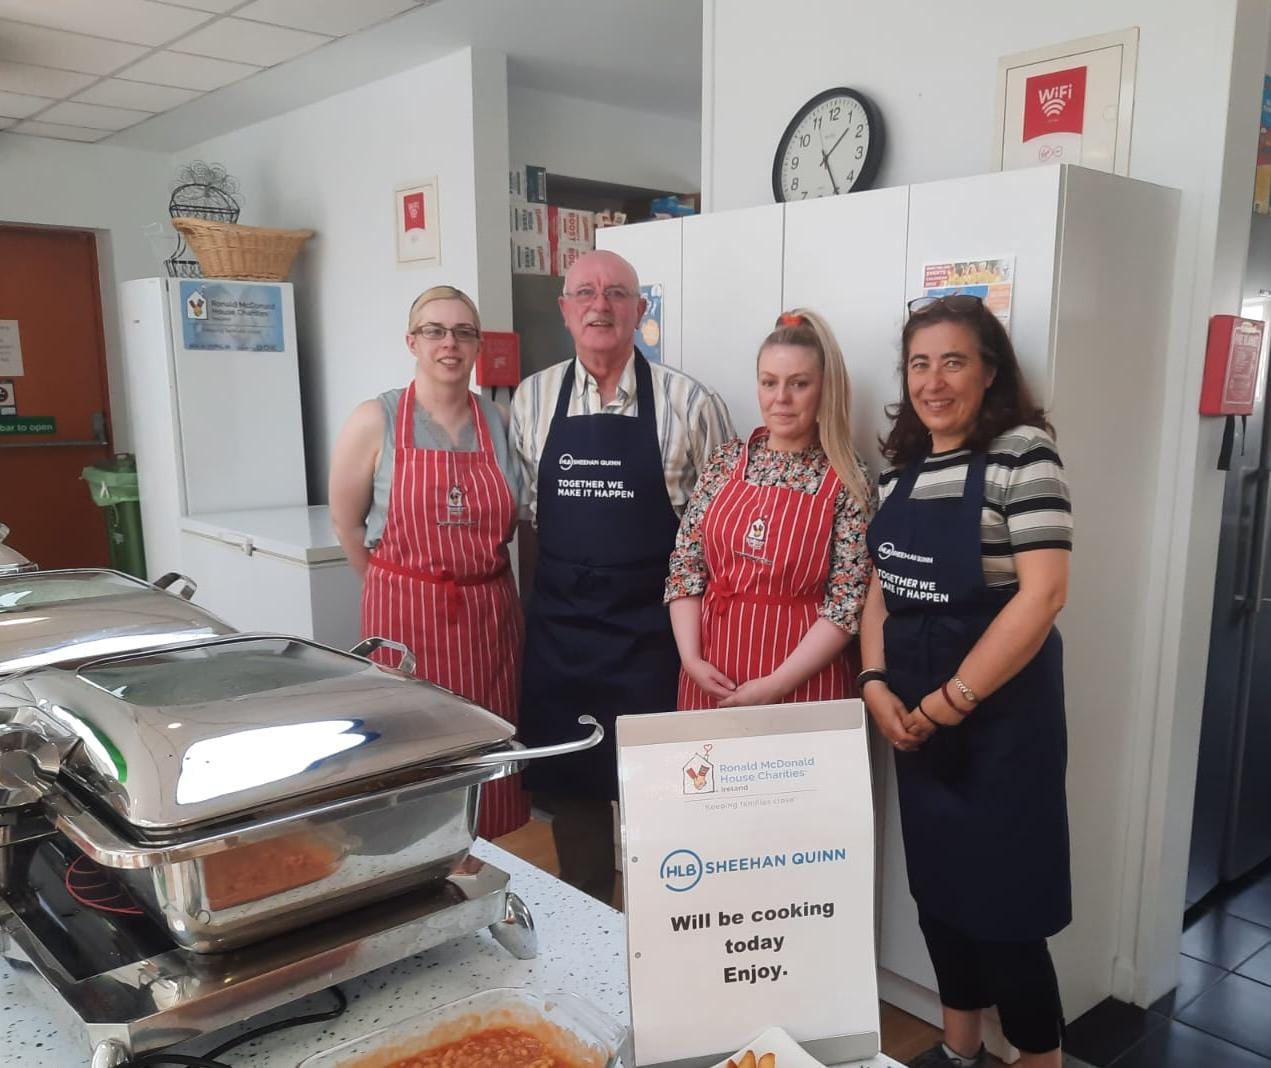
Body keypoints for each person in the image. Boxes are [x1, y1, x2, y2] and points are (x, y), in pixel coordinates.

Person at [860, 294, 1072, 1068]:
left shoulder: (1023, 456)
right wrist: (875, 683)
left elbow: (1042, 594)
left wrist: (952, 699)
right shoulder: (900, 476)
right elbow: (877, 596)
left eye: (953, 361)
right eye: (920, 363)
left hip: (999, 728)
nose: (933, 380)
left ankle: (1037, 1060)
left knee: (1007, 911)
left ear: (989, 373)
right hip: (911, 718)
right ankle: (957, 1050)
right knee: (940, 896)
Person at [511, 249, 734, 904]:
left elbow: (717, 535)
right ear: (564, 310)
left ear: (640, 309)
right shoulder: (530, 399)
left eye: (616, 293)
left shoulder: (690, 404)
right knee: (574, 792)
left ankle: (662, 928)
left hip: (652, 638)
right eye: (584, 292)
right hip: (562, 634)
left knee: (660, 796)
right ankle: (585, 922)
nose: (599, 305)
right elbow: (529, 519)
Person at [329, 285, 528, 841]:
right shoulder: (377, 419)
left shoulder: (501, 422)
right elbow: (347, 523)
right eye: (436, 331)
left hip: (489, 616)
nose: (450, 343)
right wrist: (390, 586)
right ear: (412, 341)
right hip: (404, 618)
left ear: (477, 345)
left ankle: (487, 860)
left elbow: (515, 520)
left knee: (485, 750)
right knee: (414, 752)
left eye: (464, 332)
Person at [666, 309, 874, 709]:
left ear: (825, 389)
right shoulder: (726, 462)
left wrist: (776, 685)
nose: (781, 398)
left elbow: (846, 602)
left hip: (804, 685)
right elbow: (686, 568)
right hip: (712, 675)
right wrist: (691, 659)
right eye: (769, 383)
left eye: (799, 384)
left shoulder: (847, 477)